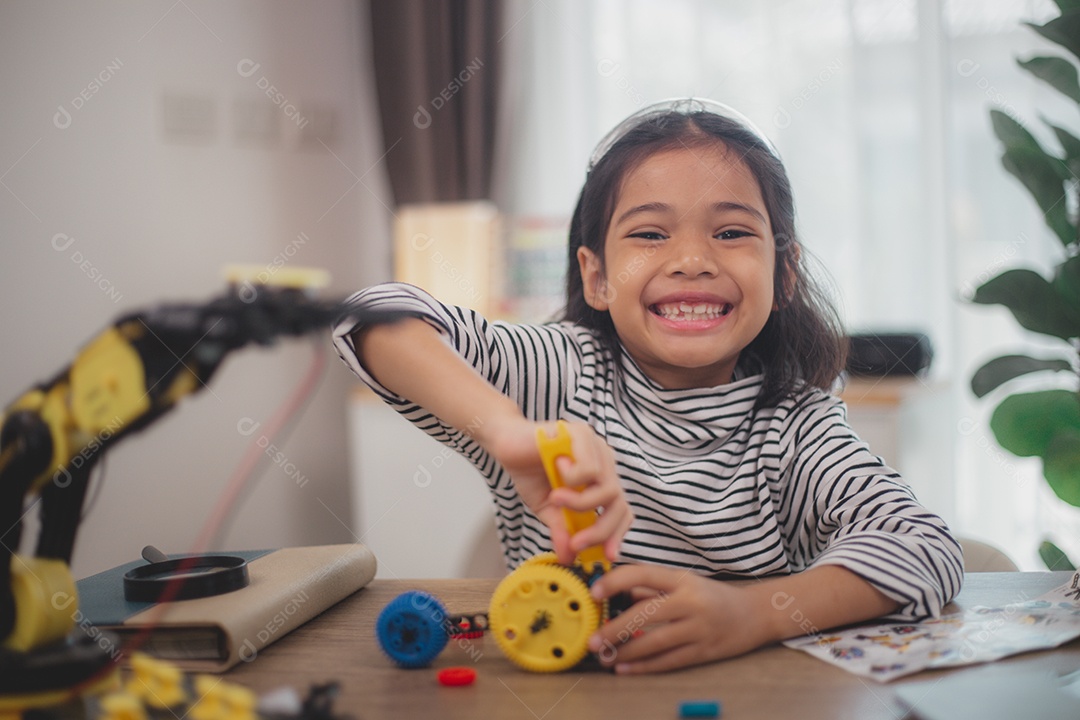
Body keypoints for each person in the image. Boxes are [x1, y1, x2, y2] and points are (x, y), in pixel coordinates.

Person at [333, 98, 963, 674]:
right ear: (596, 276)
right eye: (650, 233)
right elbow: (368, 317)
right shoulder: (557, 375)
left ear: (785, 270)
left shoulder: (799, 425)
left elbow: (926, 549)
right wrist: (507, 430)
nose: (691, 259)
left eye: (732, 232)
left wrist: (754, 614)